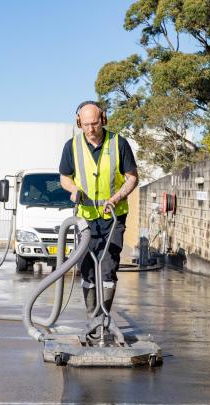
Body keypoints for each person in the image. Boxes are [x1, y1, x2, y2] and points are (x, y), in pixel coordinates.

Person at [59, 100, 138, 319]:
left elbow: (132, 178)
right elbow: (64, 178)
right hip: (85, 218)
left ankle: (102, 318)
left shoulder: (118, 143)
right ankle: (92, 317)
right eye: (85, 124)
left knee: (108, 265)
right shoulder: (72, 146)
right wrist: (73, 189)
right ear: (78, 123)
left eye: (94, 123)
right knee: (87, 267)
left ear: (103, 120)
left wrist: (117, 197)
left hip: (112, 216)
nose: (91, 129)